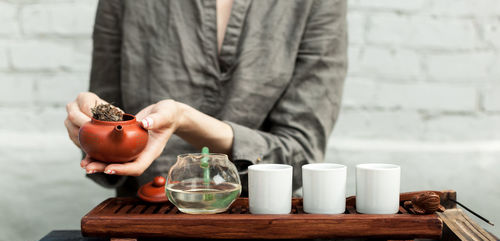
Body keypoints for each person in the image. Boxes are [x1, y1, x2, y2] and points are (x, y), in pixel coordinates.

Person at [64, 0, 347, 197]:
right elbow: (110, 154)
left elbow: (302, 159)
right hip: (146, 225)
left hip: (261, 225)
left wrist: (186, 121)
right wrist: (93, 128)